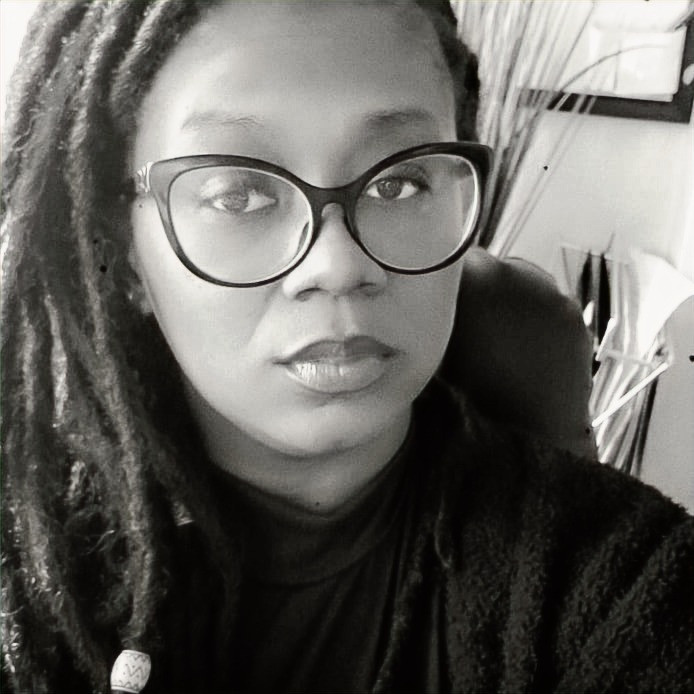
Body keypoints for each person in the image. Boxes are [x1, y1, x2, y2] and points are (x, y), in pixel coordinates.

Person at [1, 1, 692, 692]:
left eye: (398, 183)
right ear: (124, 256)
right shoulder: (25, 568)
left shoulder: (626, 579)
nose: (337, 265)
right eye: (238, 195)